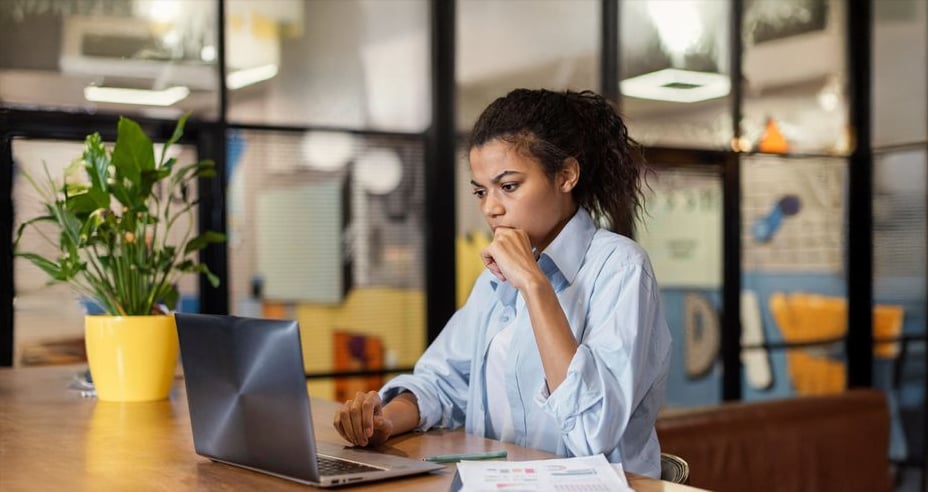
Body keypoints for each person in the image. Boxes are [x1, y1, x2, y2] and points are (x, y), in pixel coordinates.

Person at [333, 88, 671, 477]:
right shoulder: (494, 280)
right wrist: (386, 421)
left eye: (508, 186)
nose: (491, 208)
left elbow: (593, 431)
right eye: (481, 191)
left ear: (566, 175)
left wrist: (534, 284)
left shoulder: (620, 268)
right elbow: (442, 381)